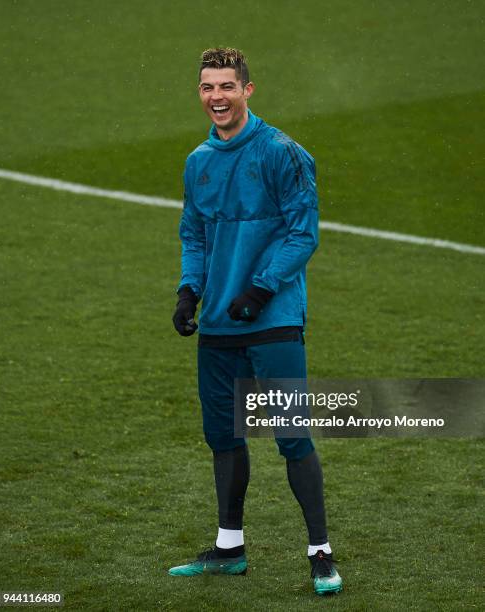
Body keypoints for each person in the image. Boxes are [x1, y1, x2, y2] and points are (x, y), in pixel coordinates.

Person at [169, 47, 342, 596]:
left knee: (292, 436)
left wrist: (262, 287)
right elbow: (193, 234)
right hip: (219, 326)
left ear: (248, 90)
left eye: (226, 86)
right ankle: (229, 548)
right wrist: (188, 290)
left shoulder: (282, 153)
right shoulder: (198, 162)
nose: (216, 97)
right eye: (207, 87)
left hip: (273, 322)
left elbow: (303, 233)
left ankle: (320, 554)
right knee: (223, 436)